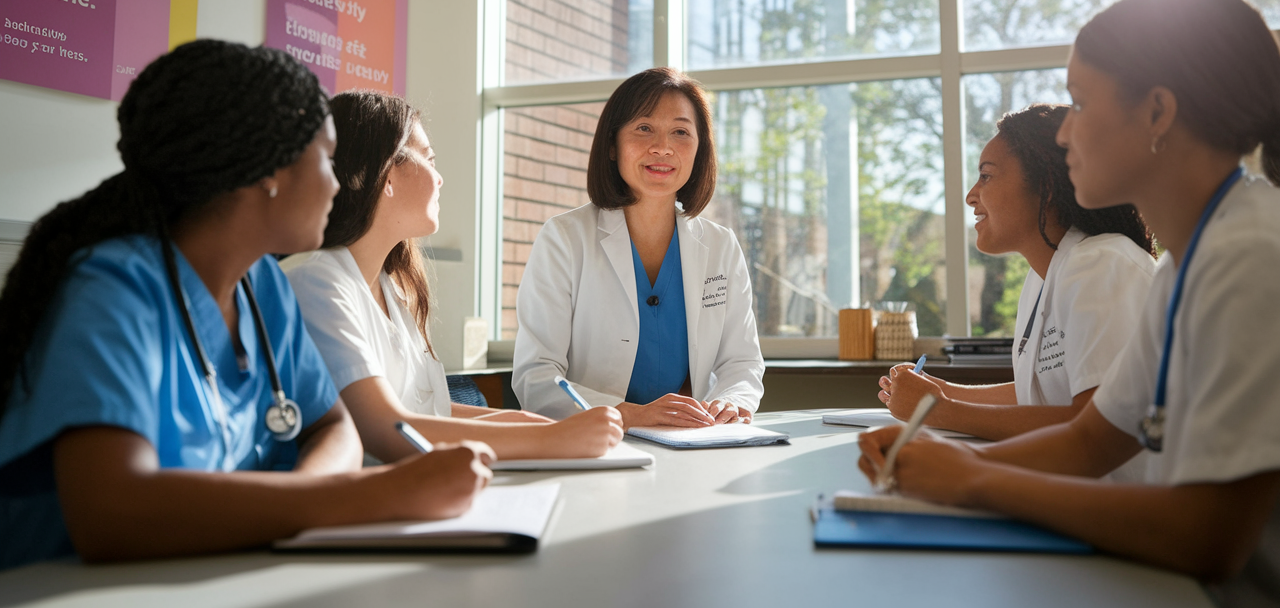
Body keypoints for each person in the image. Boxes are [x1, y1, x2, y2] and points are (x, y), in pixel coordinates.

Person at [857, 0, 1280, 603]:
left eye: (1080, 103)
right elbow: (1092, 439)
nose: (1063, 134)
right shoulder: (1182, 267)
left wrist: (973, 479)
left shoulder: (1248, 257)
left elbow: (1209, 537)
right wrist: (933, 466)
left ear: (1158, 114)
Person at [0, 41, 492, 569]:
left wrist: (303, 510)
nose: (339, 183)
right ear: (268, 172)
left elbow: (334, 428)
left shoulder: (263, 287)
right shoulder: (111, 290)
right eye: (326, 160)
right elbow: (110, 514)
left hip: (227, 569)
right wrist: (364, 497)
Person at [284, 90, 623, 463]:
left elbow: (430, 412)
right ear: (385, 174)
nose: (440, 179)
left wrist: (532, 424)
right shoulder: (318, 282)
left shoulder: (389, 286)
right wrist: (554, 439)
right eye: (429, 160)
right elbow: (388, 429)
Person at [878, 104, 1156, 453]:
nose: (970, 196)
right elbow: (1039, 393)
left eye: (987, 176)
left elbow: (1097, 424)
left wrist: (938, 410)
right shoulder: (1042, 278)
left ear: (1047, 185)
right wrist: (941, 391)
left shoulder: (1104, 264)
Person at [512, 68, 765, 427]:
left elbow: (741, 362)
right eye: (644, 128)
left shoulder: (720, 246)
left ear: (699, 149)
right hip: (595, 442)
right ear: (612, 146)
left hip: (692, 442)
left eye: (680, 132)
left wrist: (729, 402)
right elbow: (536, 376)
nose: (662, 147)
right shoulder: (564, 238)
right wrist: (628, 414)